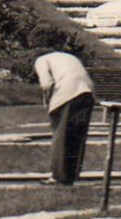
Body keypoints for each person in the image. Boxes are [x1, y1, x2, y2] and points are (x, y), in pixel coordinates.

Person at [34, 50, 96, 186]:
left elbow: (46, 83)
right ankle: (71, 175)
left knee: (61, 137)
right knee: (77, 135)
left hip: (68, 93)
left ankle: (58, 176)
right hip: (87, 93)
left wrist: (48, 102)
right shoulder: (70, 56)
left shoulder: (41, 60)